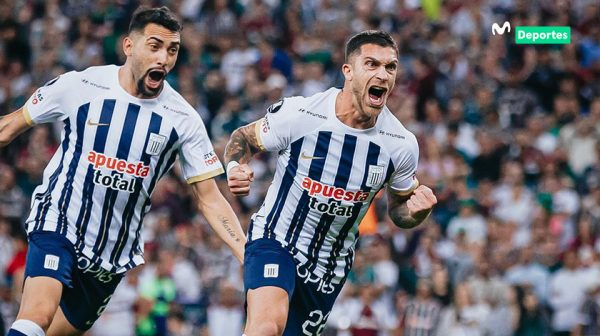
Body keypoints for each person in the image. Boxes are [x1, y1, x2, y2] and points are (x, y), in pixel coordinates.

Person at [0, 6, 246, 336]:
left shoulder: (183, 118)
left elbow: (209, 199)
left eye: (172, 50)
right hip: (59, 223)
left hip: (111, 254)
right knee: (37, 315)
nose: (164, 59)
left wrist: (247, 253)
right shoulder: (80, 85)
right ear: (129, 46)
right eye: (155, 46)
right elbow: (9, 127)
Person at [224, 30, 437, 336]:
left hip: (328, 269)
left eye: (390, 67)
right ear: (348, 71)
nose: (383, 74)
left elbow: (398, 212)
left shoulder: (400, 144)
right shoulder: (302, 114)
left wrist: (416, 212)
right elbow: (243, 137)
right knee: (266, 327)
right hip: (276, 239)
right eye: (372, 64)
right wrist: (235, 165)